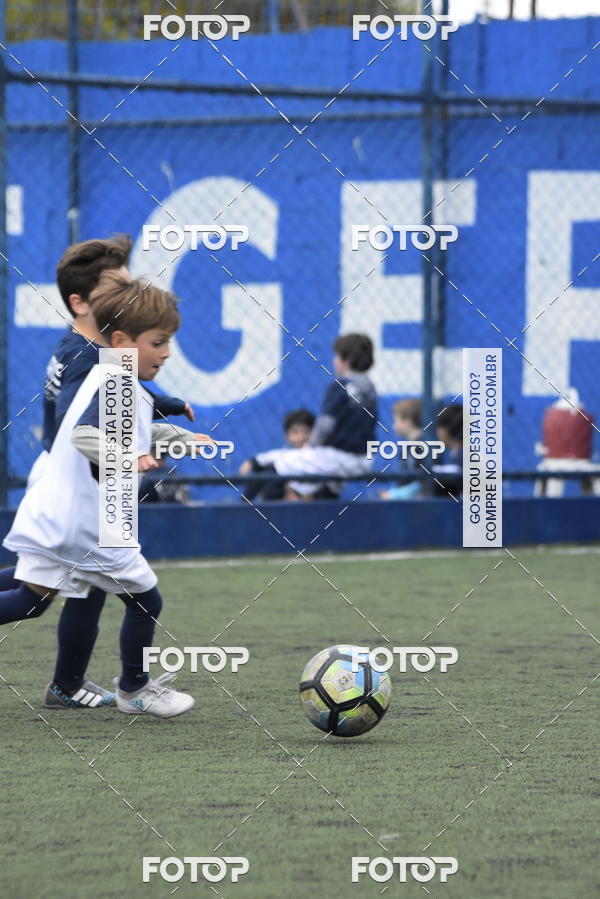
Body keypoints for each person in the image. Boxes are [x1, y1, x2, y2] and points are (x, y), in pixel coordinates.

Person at [1, 276, 208, 717]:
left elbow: (132, 429)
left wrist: (179, 438)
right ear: (121, 340)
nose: (167, 352)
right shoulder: (116, 383)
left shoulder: (111, 375)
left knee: (31, 599)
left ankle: (71, 686)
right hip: (89, 524)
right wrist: (127, 459)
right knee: (146, 599)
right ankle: (135, 688)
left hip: (56, 512)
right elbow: (86, 436)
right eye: (158, 342)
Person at [243, 334, 377, 500]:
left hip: (337, 457)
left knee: (276, 466)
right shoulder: (370, 388)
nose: (334, 360)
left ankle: (247, 511)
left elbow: (326, 425)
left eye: (337, 356)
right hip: (364, 460)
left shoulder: (340, 385)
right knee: (320, 480)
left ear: (346, 361)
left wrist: (311, 446)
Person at [240, 408, 315, 501]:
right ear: (287, 436)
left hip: (301, 493)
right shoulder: (284, 454)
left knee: (270, 472)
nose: (301, 437)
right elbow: (264, 458)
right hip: (280, 492)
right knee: (263, 472)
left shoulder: (314, 454)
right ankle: (243, 505)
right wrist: (250, 463)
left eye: (305, 432)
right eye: (295, 432)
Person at [380, 398, 423, 501]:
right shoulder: (407, 448)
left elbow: (422, 484)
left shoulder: (422, 447)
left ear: (407, 422)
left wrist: (393, 495)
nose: (393, 425)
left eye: (396, 421)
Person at [432, 403, 463, 497]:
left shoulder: (465, 453)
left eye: (438, 427)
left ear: (445, 430)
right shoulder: (455, 453)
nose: (437, 432)